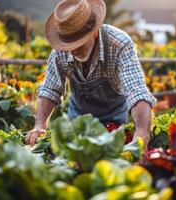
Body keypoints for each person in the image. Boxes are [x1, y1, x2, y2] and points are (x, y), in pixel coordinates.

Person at [26, 0, 156, 158]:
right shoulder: (61, 50)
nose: (73, 50)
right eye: (69, 45)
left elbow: (136, 91)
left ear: (94, 32)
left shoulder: (119, 43)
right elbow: (50, 89)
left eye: (78, 44)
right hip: (78, 123)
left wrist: (142, 133)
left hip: (114, 124)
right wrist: (40, 125)